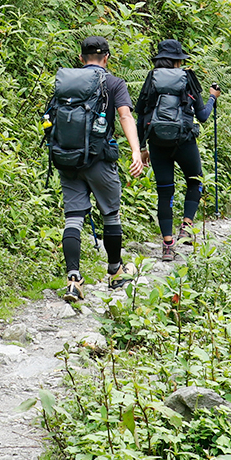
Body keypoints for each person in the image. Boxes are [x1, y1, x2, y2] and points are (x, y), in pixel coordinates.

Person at [54, 36, 143, 302]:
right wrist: (136, 151)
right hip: (99, 159)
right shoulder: (114, 82)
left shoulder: (67, 82)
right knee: (111, 215)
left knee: (73, 218)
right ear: (107, 58)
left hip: (67, 158)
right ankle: (115, 272)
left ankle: (73, 279)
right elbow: (125, 115)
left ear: (81, 59)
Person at [133, 39, 220, 262]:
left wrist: (142, 147)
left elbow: (141, 114)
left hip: (157, 143)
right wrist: (212, 98)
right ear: (179, 60)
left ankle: (168, 245)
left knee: (165, 192)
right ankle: (186, 226)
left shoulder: (151, 78)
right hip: (184, 141)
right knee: (196, 180)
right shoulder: (187, 78)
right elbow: (202, 116)